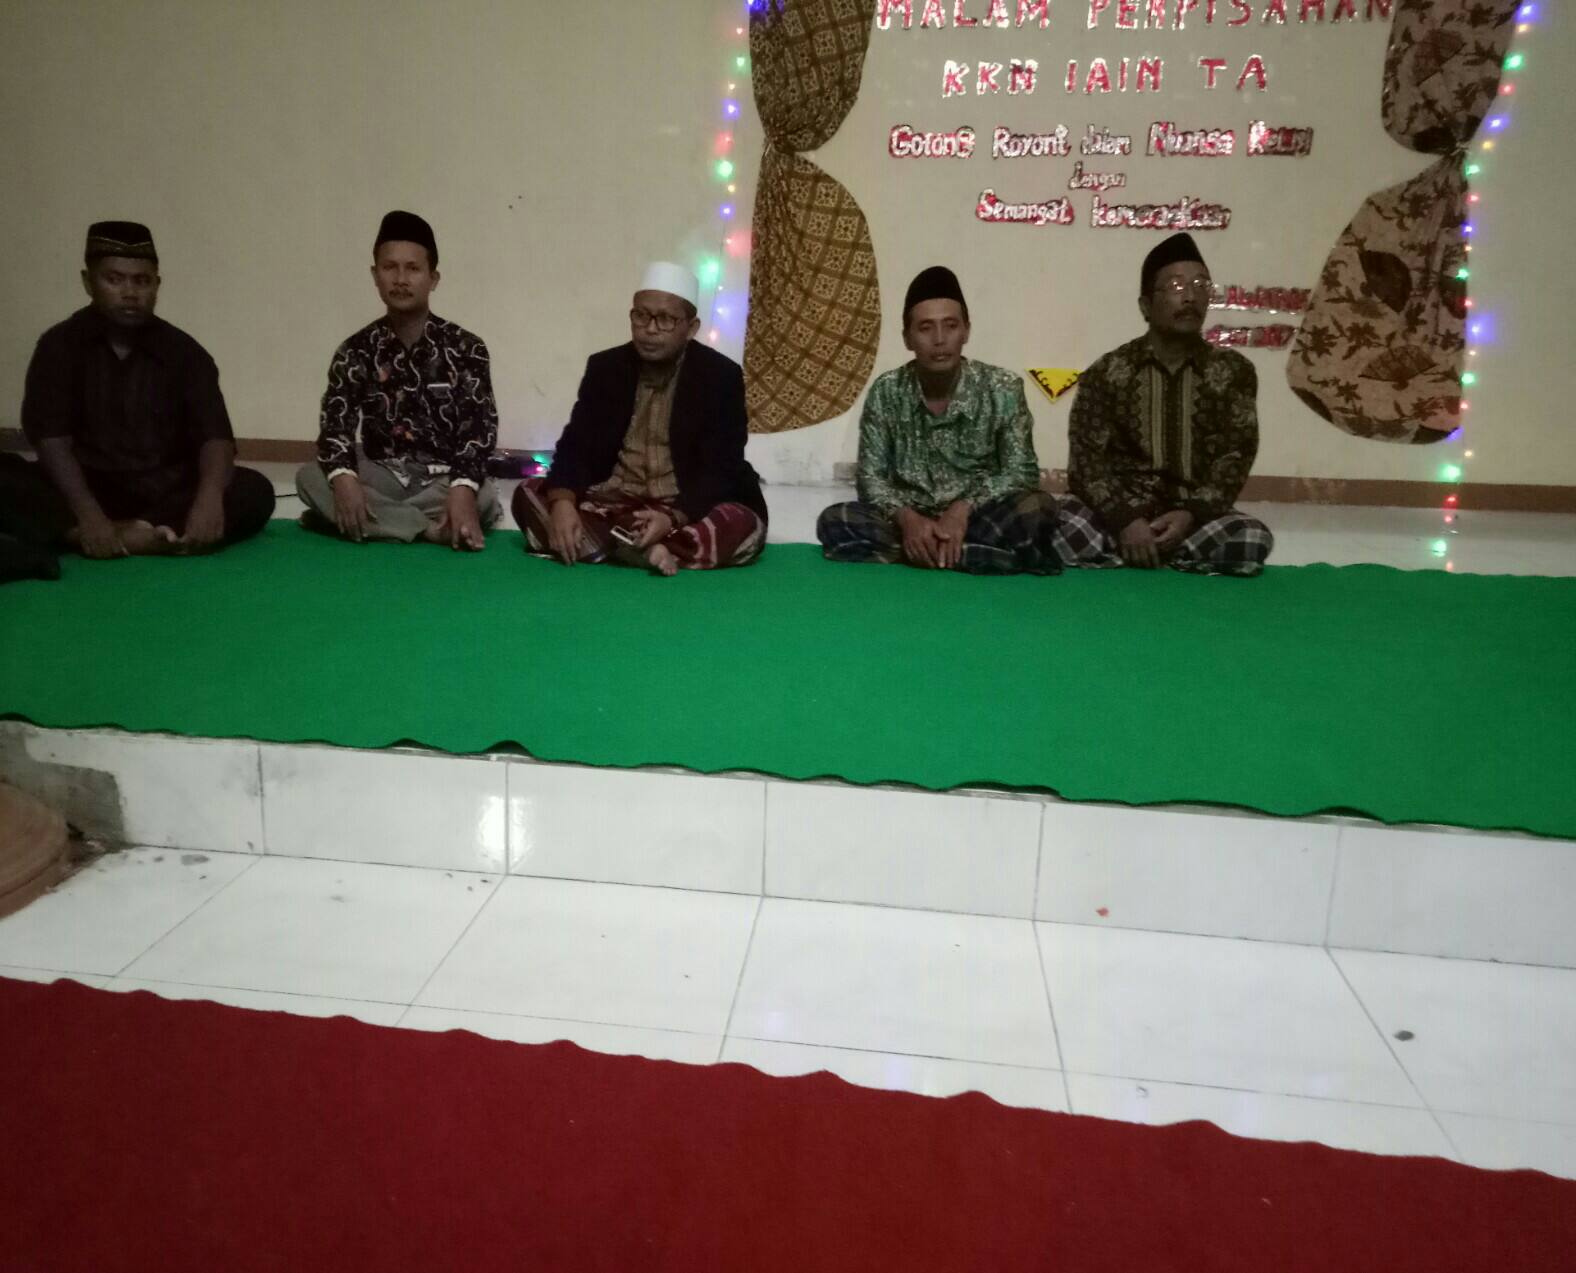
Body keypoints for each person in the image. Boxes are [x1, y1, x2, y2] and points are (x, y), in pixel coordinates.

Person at [0, 221, 275, 567]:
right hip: (82, 488)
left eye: (141, 281)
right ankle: (103, 532)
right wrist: (89, 515)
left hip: (162, 491)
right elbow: (51, 440)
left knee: (254, 489)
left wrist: (208, 499)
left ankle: (131, 532)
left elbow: (215, 436)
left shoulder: (185, 352)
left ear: (157, 285)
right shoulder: (59, 347)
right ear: (88, 282)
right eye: (114, 280)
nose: (130, 293)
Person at [817, 266, 1090, 574]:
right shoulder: (887, 391)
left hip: (979, 518)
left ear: (966, 331)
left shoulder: (1002, 387)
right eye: (925, 328)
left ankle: (922, 554)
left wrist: (963, 508)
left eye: (950, 326)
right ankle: (972, 555)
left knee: (1037, 508)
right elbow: (871, 478)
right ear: (907, 338)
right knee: (835, 519)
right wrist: (907, 519)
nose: (939, 339)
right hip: (911, 520)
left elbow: (1021, 471)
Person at [513, 262, 766, 576]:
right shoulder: (606, 368)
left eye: (666, 319)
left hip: (687, 506)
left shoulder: (719, 376)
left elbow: (722, 466)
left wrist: (673, 517)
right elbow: (576, 444)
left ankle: (622, 545)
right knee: (530, 493)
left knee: (743, 525)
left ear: (691, 328)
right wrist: (563, 502)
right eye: (641, 315)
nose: (650, 329)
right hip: (615, 502)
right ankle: (653, 549)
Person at [1063, 233, 1273, 577]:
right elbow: (1086, 461)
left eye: (1200, 285)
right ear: (1145, 306)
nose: (1190, 297)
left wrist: (1190, 514)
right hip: (1120, 513)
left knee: (1252, 537)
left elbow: (1235, 456)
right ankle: (1159, 552)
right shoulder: (1109, 371)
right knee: (1063, 525)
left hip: (1191, 515)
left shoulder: (1233, 371)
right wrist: (1125, 519)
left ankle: (1142, 553)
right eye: (1176, 286)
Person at [296, 211, 500, 550]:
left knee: (485, 495)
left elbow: (479, 431)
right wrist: (345, 480)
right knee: (311, 478)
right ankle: (429, 529)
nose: (401, 279)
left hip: (442, 477)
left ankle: (367, 521)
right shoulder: (355, 350)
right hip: (383, 474)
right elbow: (335, 428)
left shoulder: (466, 348)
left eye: (413, 268)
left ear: (433, 278)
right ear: (375, 275)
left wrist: (462, 488)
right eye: (390, 267)